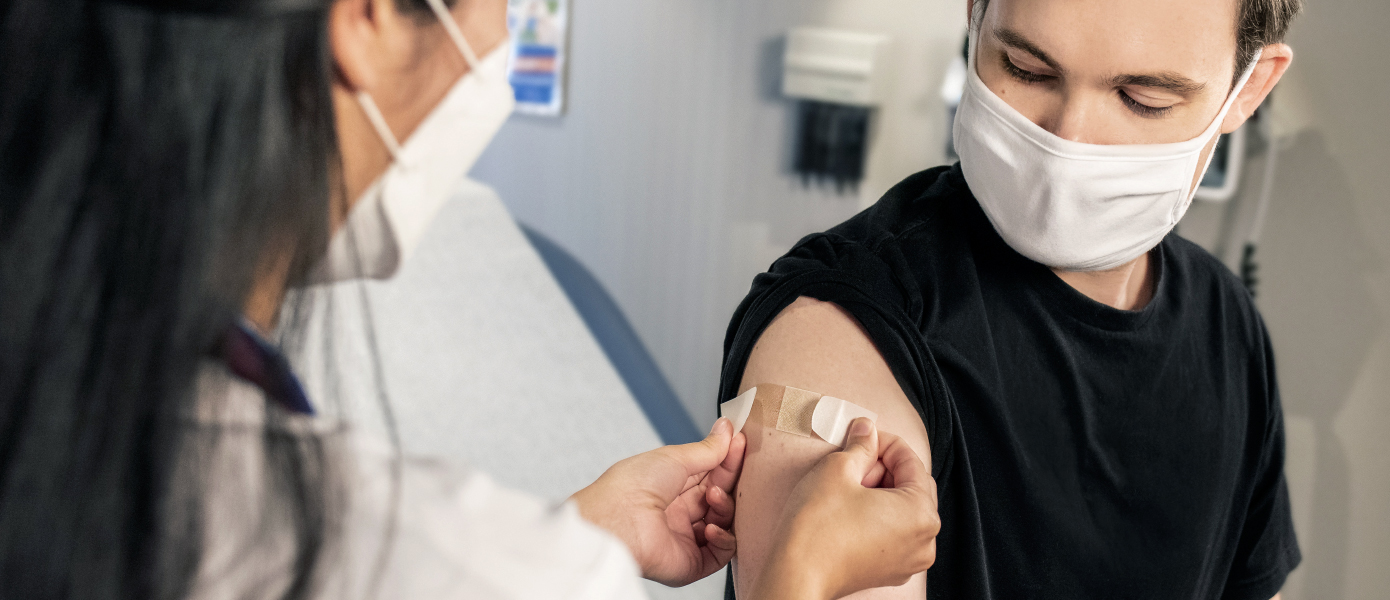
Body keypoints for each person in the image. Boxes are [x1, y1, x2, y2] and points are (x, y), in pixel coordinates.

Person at [0, 0, 939, 598]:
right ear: (366, 18)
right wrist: (797, 582)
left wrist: (576, 534)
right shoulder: (417, 553)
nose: (501, 40)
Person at [721, 0, 1301, 599]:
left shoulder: (1230, 325)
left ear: (1248, 89)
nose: (1067, 141)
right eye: (1027, 68)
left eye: (1142, 99)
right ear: (974, 15)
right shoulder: (843, 322)